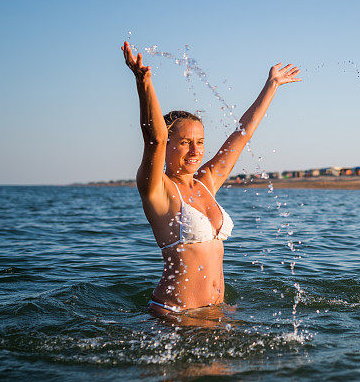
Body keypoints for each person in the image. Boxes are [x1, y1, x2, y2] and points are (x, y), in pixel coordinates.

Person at [121, 41, 301, 317]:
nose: (196, 151)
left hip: (216, 312)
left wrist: (272, 85)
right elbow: (154, 138)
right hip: (176, 315)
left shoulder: (206, 182)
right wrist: (144, 82)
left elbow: (242, 134)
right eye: (184, 143)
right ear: (168, 146)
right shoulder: (157, 188)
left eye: (200, 142)